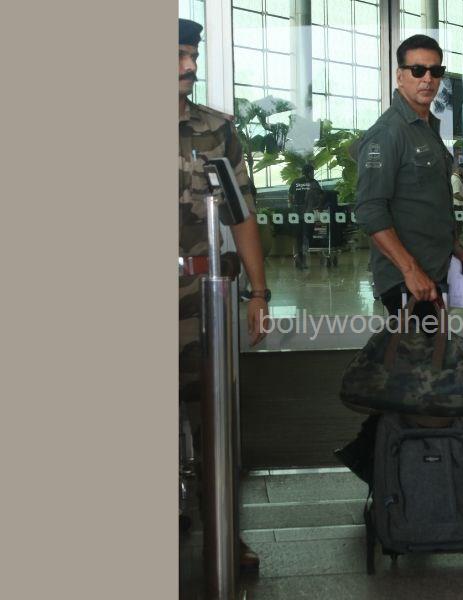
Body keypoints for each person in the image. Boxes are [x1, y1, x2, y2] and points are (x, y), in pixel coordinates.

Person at [334, 34, 463, 483]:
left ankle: (387, 465)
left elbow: (429, 205)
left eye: (435, 71)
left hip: (430, 274)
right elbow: (370, 211)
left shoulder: (427, 128)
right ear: (399, 75)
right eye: (417, 70)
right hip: (408, 280)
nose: (427, 79)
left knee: (414, 377)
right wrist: (410, 270)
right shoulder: (388, 133)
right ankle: (388, 467)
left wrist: (459, 251)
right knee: (419, 380)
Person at [178, 18, 270, 571]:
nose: (190, 66)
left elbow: (243, 215)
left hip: (198, 302)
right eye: (178, 55)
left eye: (193, 55)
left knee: (215, 424)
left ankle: (225, 535)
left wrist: (258, 293)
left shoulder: (216, 131)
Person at [288, 164, 323, 270]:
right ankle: (304, 258)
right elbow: (321, 196)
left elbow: (290, 196)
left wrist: (293, 206)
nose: (313, 174)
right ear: (309, 172)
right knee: (307, 235)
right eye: (312, 172)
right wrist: (318, 206)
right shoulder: (313, 182)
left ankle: (298, 257)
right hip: (308, 213)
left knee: (298, 236)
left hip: (297, 213)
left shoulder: (295, 182)